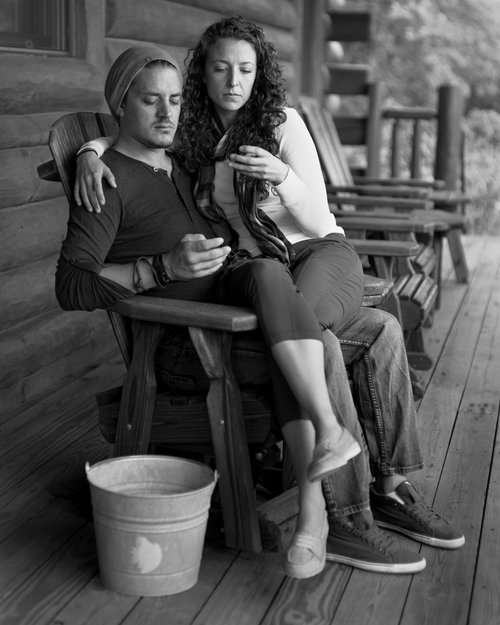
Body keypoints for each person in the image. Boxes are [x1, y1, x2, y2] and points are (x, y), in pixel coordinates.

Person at [67, 22, 464, 576]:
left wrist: (280, 176)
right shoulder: (184, 142)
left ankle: (389, 488)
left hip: (298, 265)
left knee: (356, 331)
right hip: (214, 321)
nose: (233, 81)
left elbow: (318, 218)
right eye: (220, 68)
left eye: (246, 69)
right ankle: (344, 518)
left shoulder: (272, 126)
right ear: (203, 74)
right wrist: (89, 154)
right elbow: (120, 149)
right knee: (357, 333)